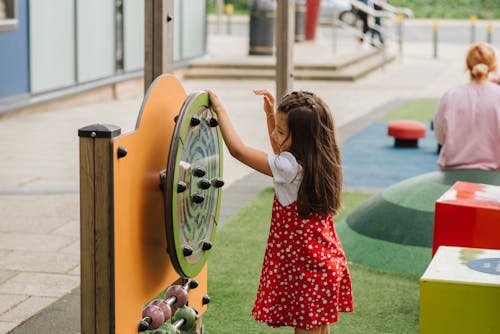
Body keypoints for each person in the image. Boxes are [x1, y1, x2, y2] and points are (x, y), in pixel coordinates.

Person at [207, 89, 353, 334]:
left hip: (306, 271)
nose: (274, 134)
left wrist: (220, 110)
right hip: (324, 263)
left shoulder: (289, 169)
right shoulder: (321, 160)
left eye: (281, 131)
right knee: (320, 330)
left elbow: (238, 151)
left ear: (301, 140)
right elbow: (280, 152)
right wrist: (270, 117)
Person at [433, 43, 500, 171]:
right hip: (495, 173)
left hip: (453, 172)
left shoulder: (451, 95)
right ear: (493, 67)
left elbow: (440, 136)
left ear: (468, 66)